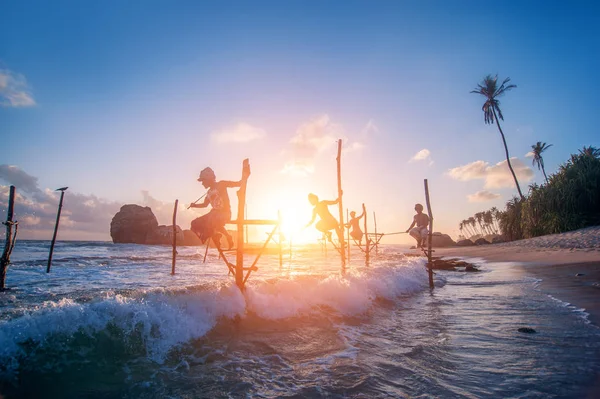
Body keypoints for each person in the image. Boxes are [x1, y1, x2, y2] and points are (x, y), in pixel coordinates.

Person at [189, 166, 249, 249]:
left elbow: (238, 183)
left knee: (212, 217)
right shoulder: (209, 192)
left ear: (209, 179)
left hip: (225, 214)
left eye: (203, 181)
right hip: (213, 216)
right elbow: (204, 205)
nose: (202, 183)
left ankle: (222, 235)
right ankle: (217, 235)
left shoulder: (221, 184)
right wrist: (194, 205)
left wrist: (245, 176)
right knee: (194, 223)